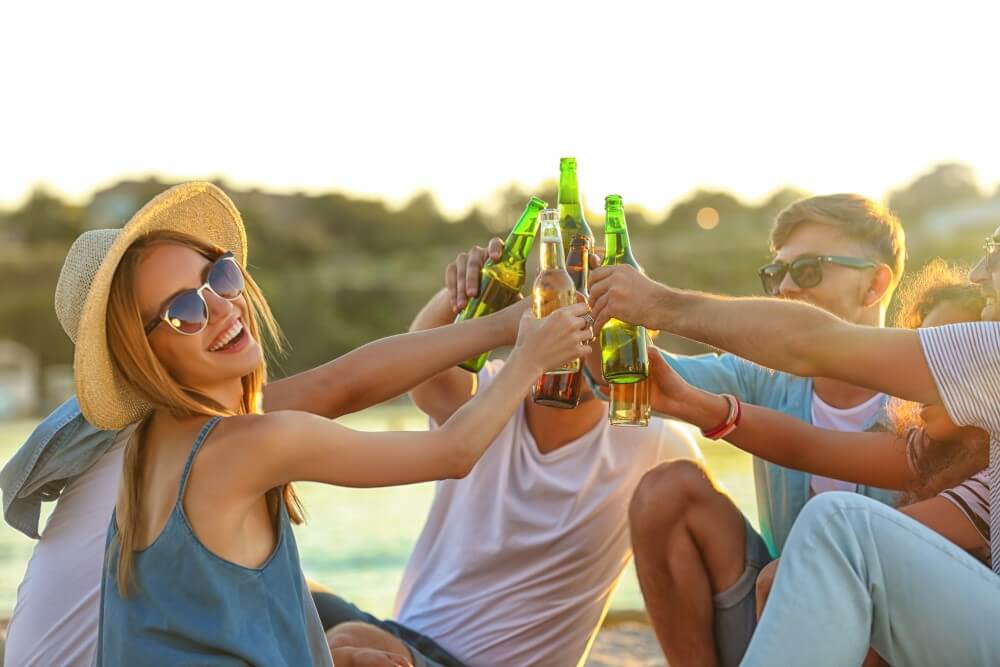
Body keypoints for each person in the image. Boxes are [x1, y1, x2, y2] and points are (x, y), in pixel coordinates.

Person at [11, 182, 593, 667]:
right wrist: (530, 358)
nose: (221, 307)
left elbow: (340, 385)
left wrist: (505, 326)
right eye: (184, 311)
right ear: (145, 356)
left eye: (219, 277)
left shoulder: (154, 440)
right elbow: (454, 452)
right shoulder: (251, 443)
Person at [587, 222, 1000, 664]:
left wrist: (657, 303)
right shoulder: (974, 471)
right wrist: (691, 403)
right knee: (827, 533)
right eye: (776, 272)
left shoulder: (986, 357)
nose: (979, 271)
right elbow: (811, 448)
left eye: (808, 269)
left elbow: (808, 343)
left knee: (840, 524)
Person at [317, 238, 702, 666]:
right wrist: (458, 295)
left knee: (347, 645)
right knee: (283, 588)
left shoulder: (656, 445)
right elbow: (424, 382)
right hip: (404, 636)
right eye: (571, 317)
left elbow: (696, 547)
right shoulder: (491, 399)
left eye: (608, 325)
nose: (585, 338)